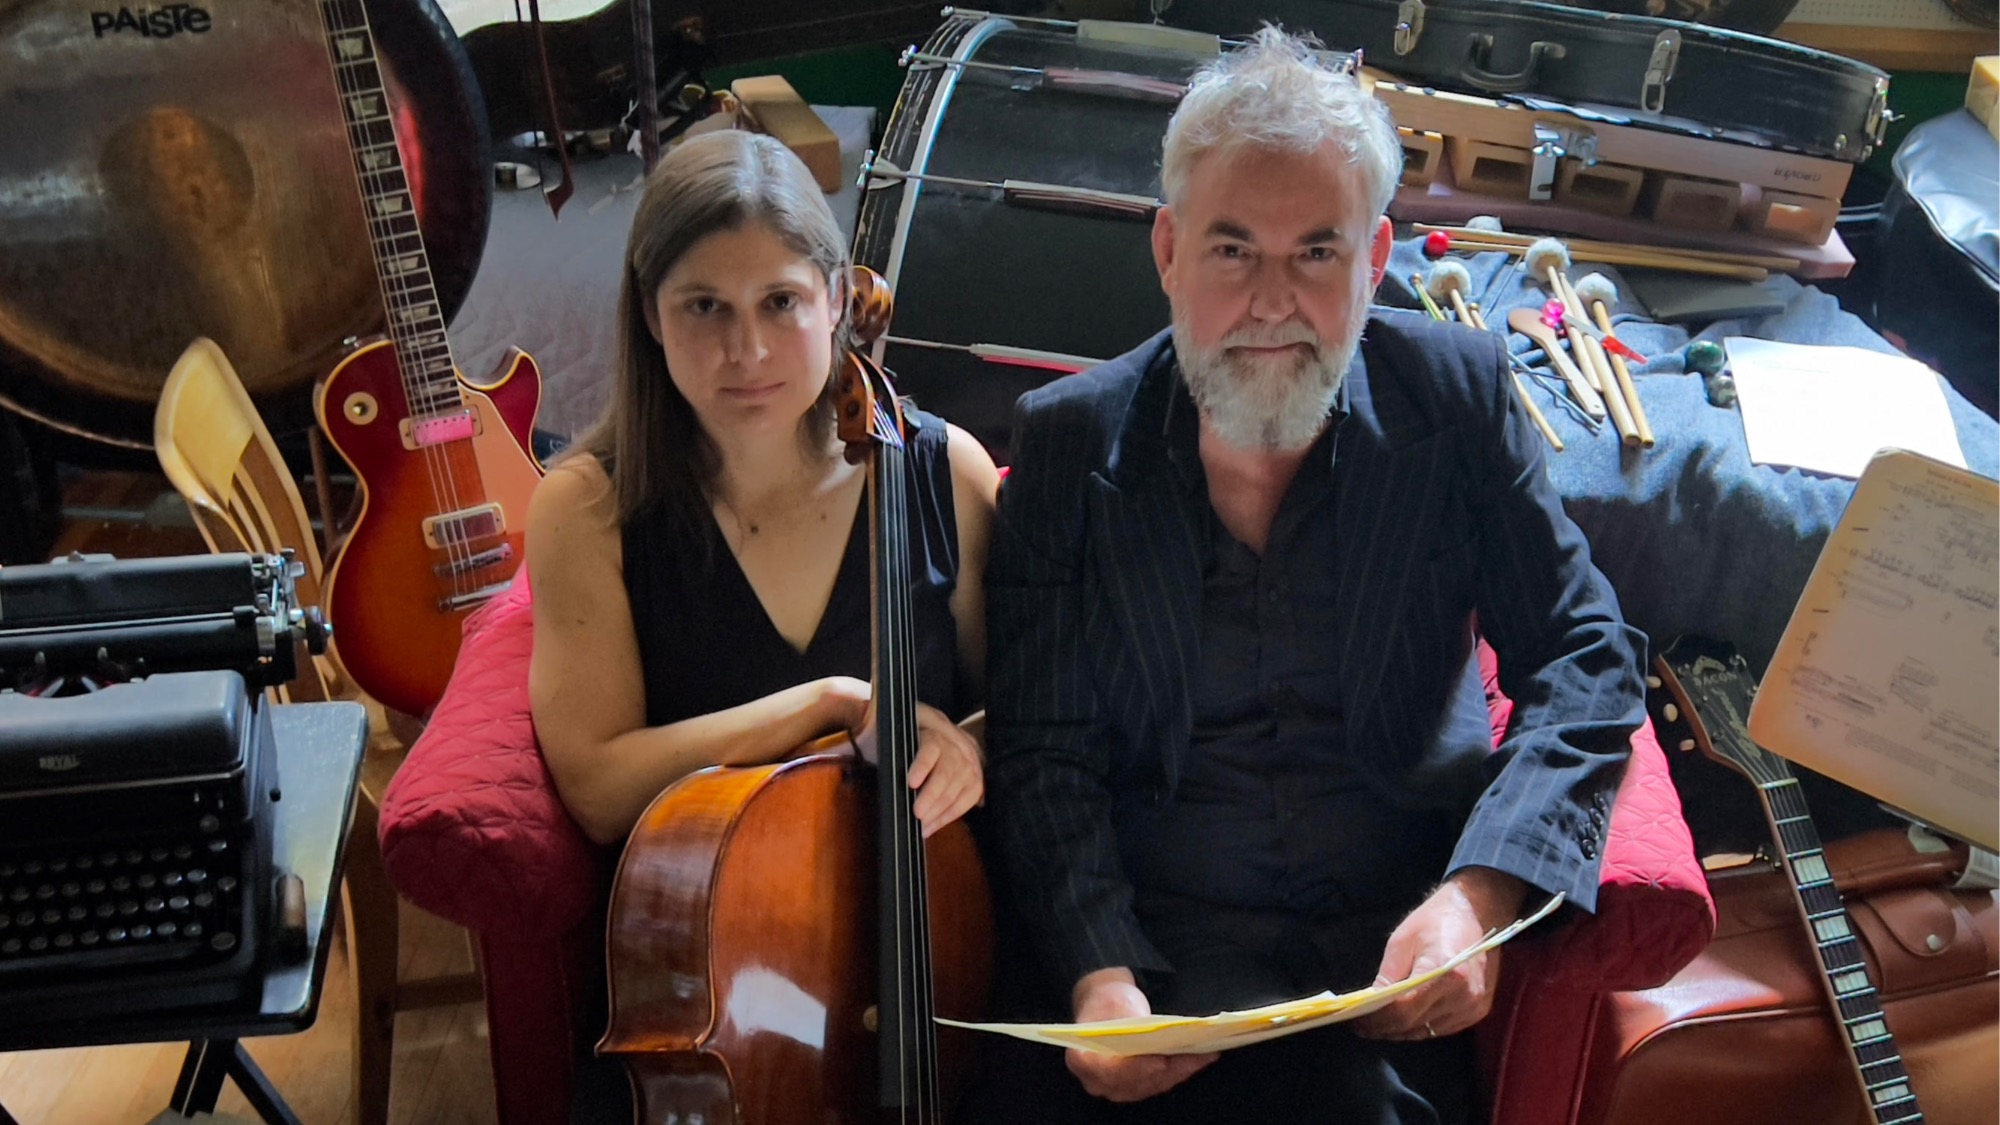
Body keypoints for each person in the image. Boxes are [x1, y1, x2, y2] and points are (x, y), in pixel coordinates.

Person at [977, 28, 1647, 1124]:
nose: (1271, 302)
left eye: (1316, 254)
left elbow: (1586, 658)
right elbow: (1042, 751)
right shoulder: (1065, 445)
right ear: (1167, 252)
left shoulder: (1459, 398)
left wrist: (1476, 898)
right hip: (1149, 957)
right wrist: (1097, 972)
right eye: (1232, 251)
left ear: (1376, 258)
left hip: (1384, 962)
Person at [524, 129, 1000, 1119]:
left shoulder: (941, 474)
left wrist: (976, 752)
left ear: (835, 299)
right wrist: (829, 704)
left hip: (938, 960)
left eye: (779, 303)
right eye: (704, 307)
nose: (744, 350)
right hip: (708, 997)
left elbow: (1028, 712)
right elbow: (601, 786)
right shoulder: (591, 509)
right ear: (650, 318)